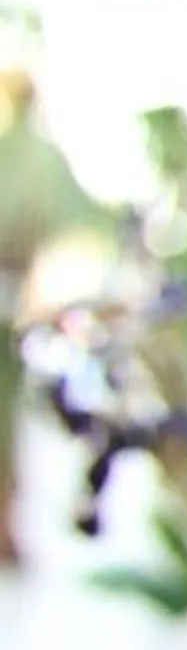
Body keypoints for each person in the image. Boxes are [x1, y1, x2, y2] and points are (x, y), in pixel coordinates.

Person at [0, 69, 100, 566]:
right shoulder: (30, 153)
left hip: (12, 298)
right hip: (15, 297)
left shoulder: (28, 154)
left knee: (9, 418)